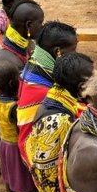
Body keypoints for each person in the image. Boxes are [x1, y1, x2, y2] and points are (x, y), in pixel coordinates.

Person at [25, 52, 94, 192]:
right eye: (93, 81)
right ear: (81, 87)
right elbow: (48, 180)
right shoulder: (58, 122)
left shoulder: (56, 96)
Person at [0, 0, 45, 175]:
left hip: (2, 96)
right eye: (39, 23)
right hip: (3, 99)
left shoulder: (16, 42)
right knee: (8, 132)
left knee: (5, 132)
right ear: (28, 25)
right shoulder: (9, 58)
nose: (41, 26)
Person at [17, 21, 78, 164]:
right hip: (36, 155)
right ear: (58, 52)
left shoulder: (36, 62)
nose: (76, 55)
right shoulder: (42, 91)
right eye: (73, 50)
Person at [0, 61, 37, 192]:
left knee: (9, 175)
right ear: (12, 83)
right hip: (16, 147)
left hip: (4, 143)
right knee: (21, 177)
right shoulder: (14, 108)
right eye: (18, 77)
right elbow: (22, 125)